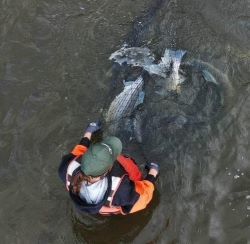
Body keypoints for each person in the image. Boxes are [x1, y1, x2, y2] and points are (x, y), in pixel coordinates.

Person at [58, 122, 159, 215]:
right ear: (109, 169)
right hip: (113, 202)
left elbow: (78, 152)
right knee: (133, 172)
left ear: (84, 157)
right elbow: (142, 198)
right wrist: (153, 172)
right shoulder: (121, 189)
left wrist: (88, 132)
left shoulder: (65, 167)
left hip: (96, 207)